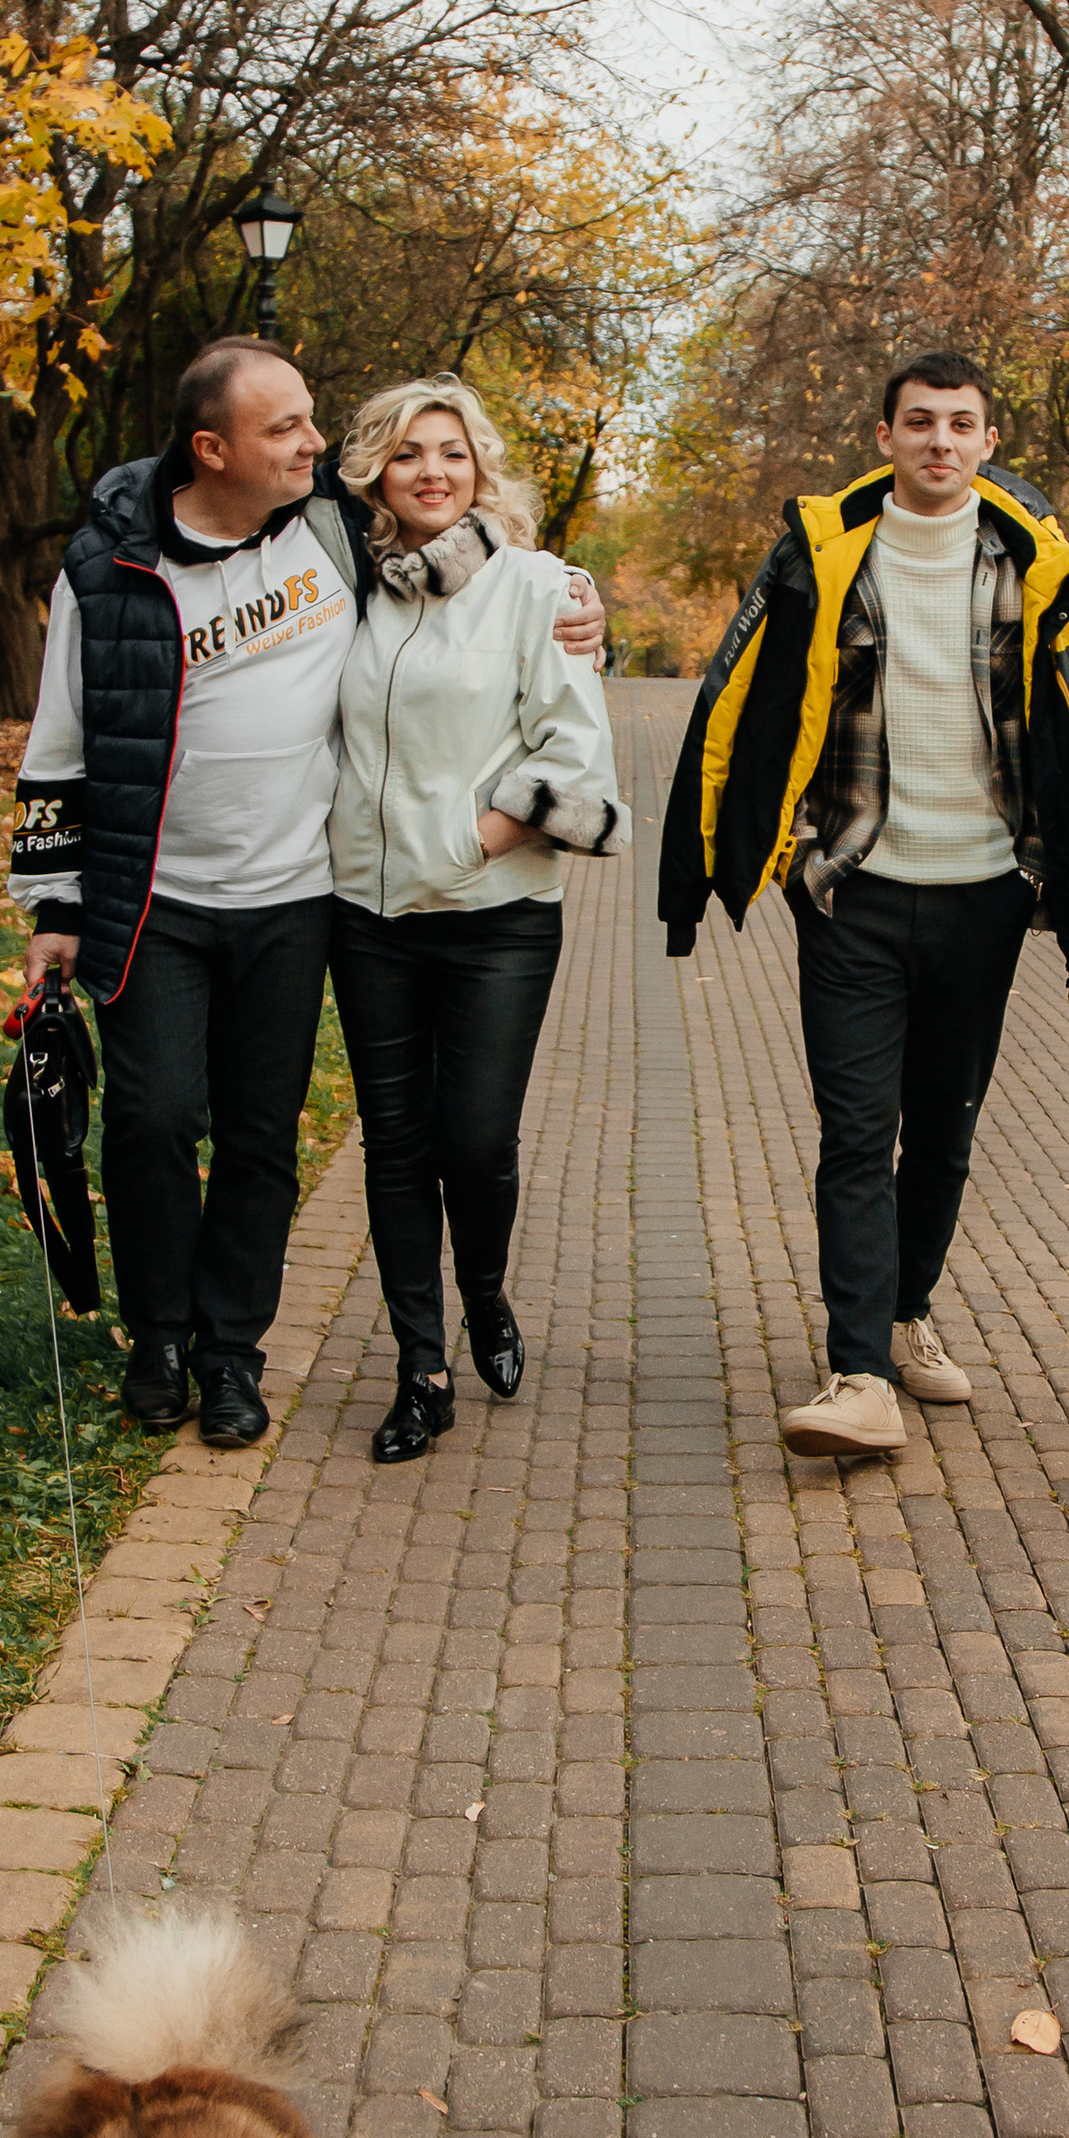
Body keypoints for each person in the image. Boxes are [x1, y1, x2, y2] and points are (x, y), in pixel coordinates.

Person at [11, 338, 603, 1447]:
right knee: (152, 1121)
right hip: (153, 898)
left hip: (294, 896)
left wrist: (577, 602)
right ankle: (160, 1338)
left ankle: (232, 1353)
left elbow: (468, 572)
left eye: (312, 422)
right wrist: (55, 906)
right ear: (212, 449)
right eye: (284, 427)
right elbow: (61, 738)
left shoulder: (329, 534)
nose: (314, 444)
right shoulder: (109, 571)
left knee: (259, 1136)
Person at [660, 354, 1069, 1464]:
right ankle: (859, 1372)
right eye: (919, 422)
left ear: (987, 440)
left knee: (944, 1133)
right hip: (849, 891)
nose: (939, 442)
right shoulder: (824, 554)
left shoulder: (1042, 568)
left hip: (985, 893)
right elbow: (735, 701)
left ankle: (905, 1313)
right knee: (856, 1133)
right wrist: (715, 862)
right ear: (884, 437)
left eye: (960, 424)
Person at [329, 376, 627, 1465]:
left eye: (451, 452)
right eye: (409, 453)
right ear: (375, 472)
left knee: (474, 1139)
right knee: (396, 1145)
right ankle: (422, 1368)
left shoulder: (537, 586)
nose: (432, 472)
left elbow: (573, 752)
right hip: (366, 916)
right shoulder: (348, 586)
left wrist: (470, 842)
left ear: (479, 467)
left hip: (496, 917)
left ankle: (486, 1293)